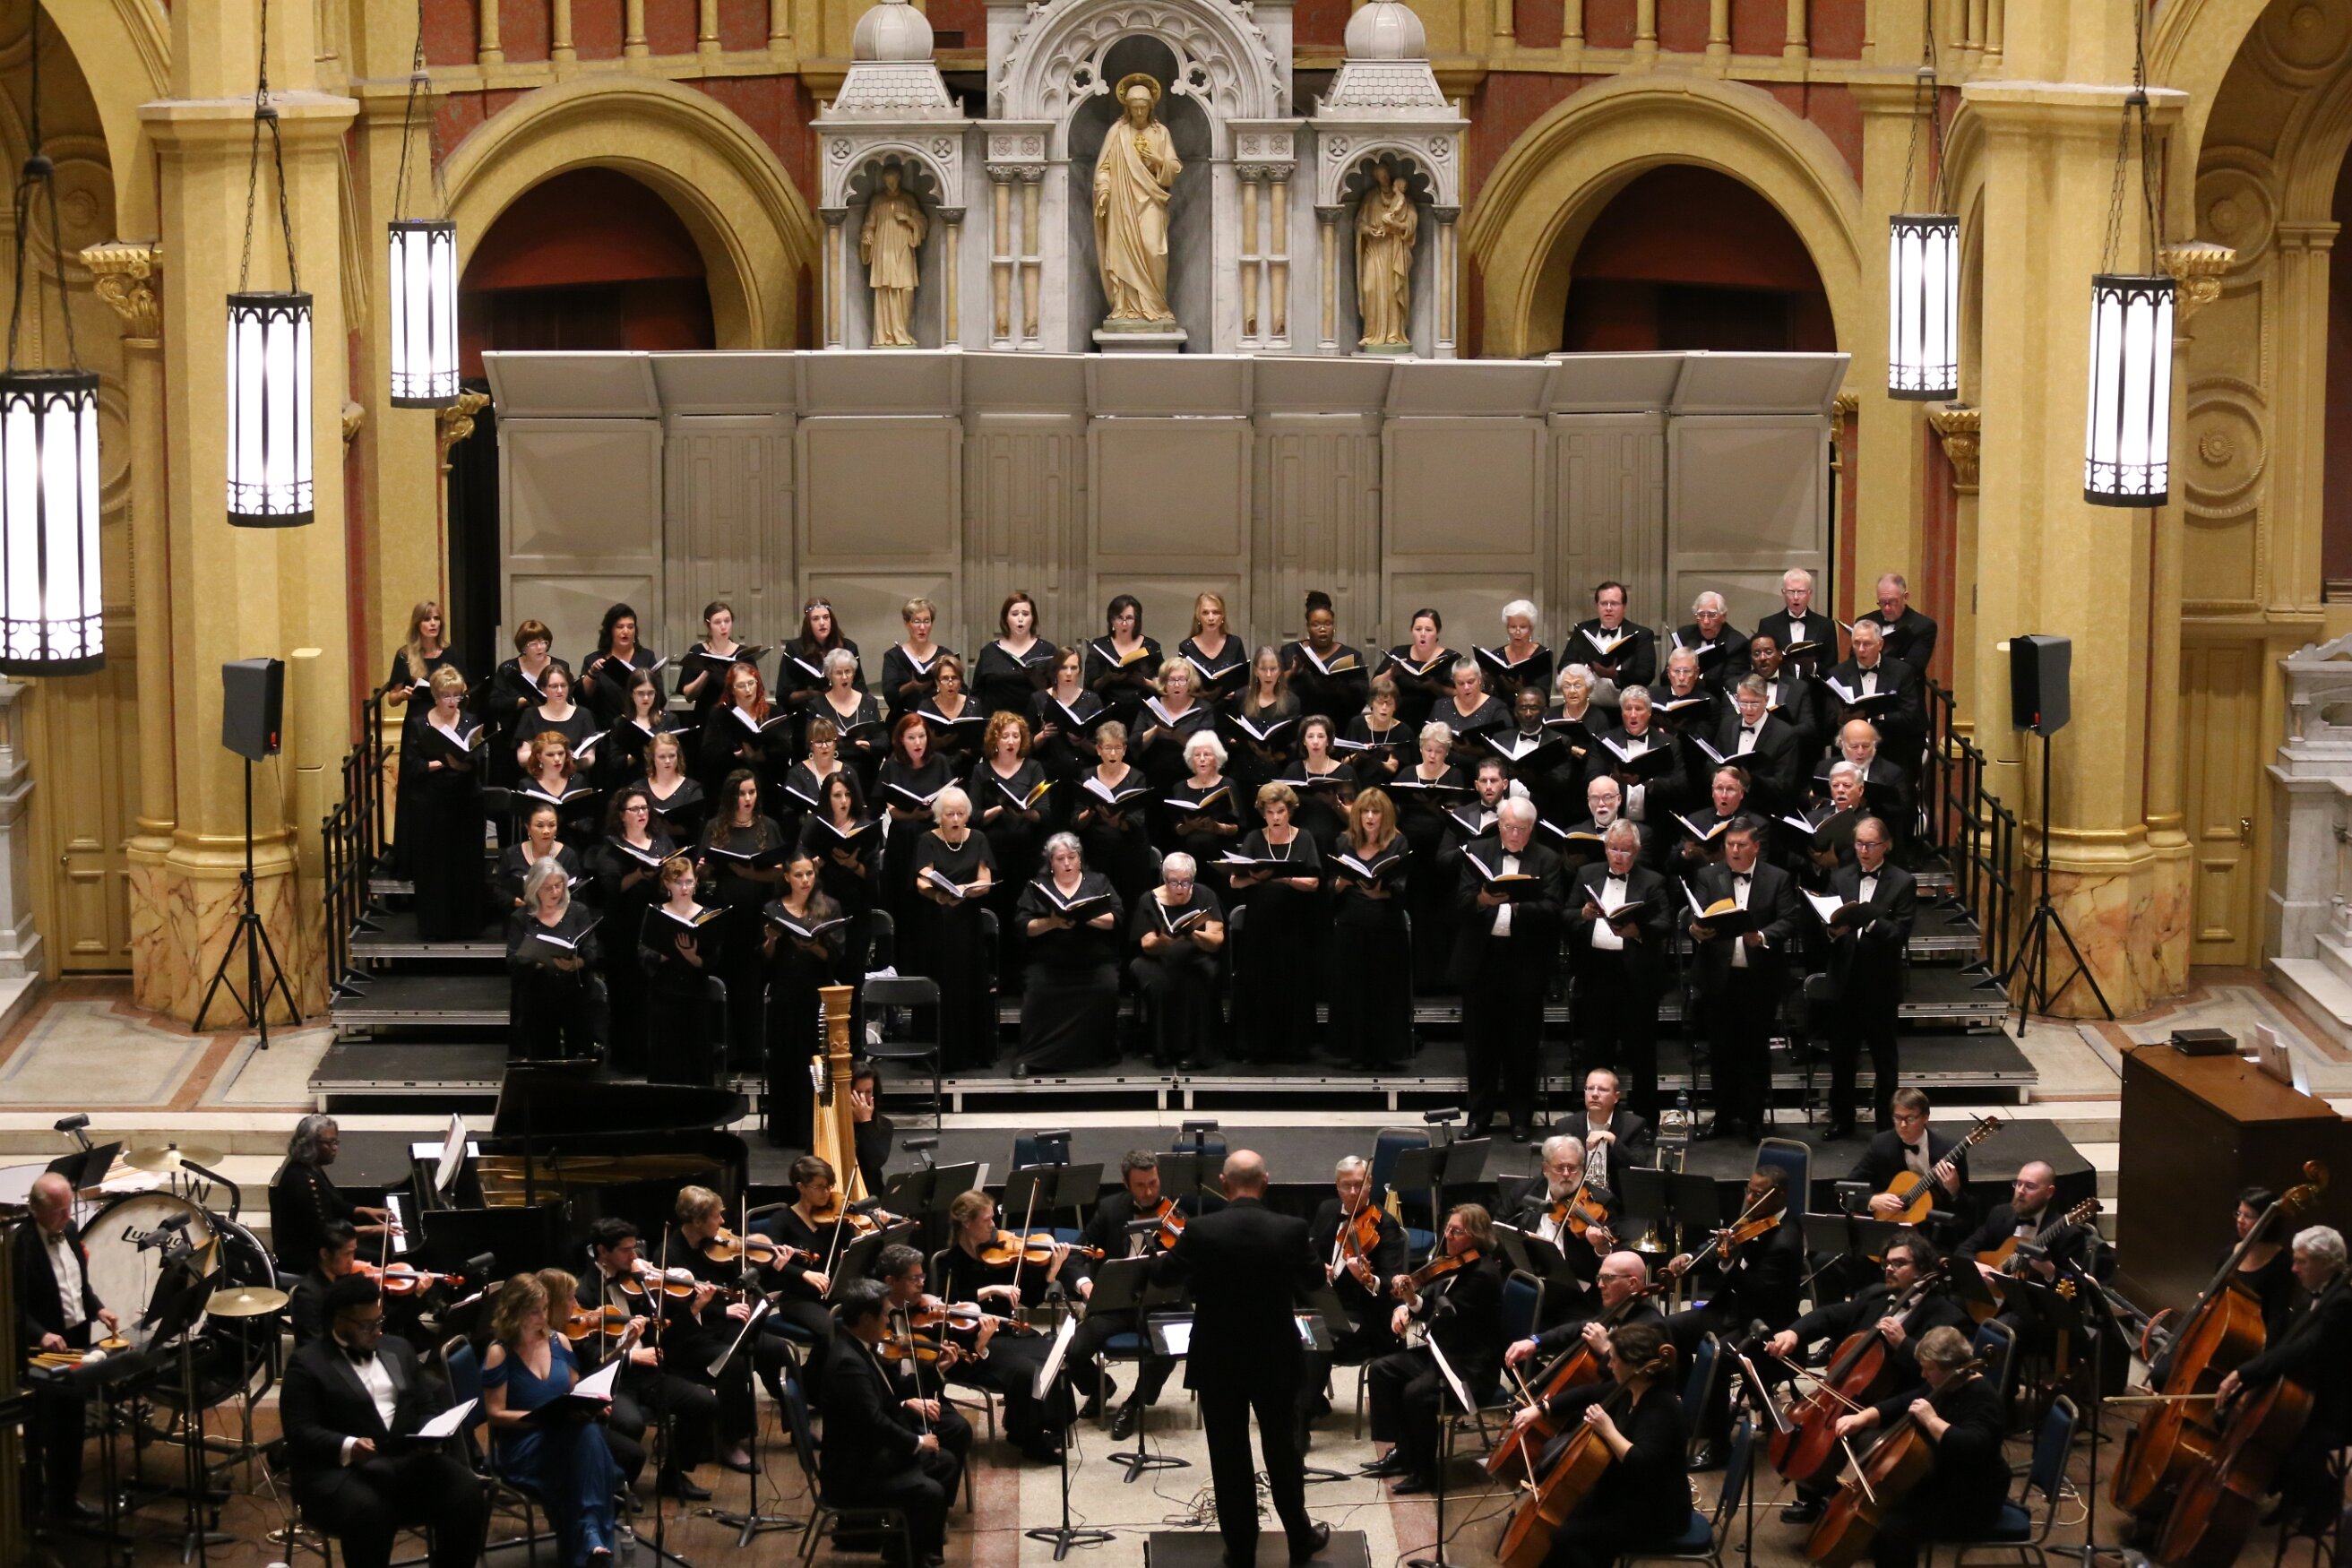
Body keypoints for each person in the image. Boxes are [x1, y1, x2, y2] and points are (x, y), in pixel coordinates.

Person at [1150, 1150, 1331, 1568]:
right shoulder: (1291, 1229)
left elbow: (1164, 1277)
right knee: (1283, 1451)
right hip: (1275, 1357)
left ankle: (1241, 1549)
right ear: (1265, 1182)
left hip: (1219, 1359)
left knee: (1229, 1456)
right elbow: (1314, 1280)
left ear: (1223, 1183)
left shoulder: (1201, 1230)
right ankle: (1299, 1537)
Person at [280, 1275, 490, 1568]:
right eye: (367, 1325)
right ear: (339, 1321)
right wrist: (348, 1445)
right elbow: (300, 1431)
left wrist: (428, 1434)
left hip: (404, 1461)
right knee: (370, 1513)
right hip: (338, 1472)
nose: (378, 1331)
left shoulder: (398, 1349)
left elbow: (425, 1403)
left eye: (379, 1321)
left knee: (465, 1490)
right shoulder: (307, 1363)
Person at [1768, 1234, 1973, 1524]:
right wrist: (1794, 1332)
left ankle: (1872, 1514)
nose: (1889, 1268)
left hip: (1907, 1405)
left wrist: (1904, 1344)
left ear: (1922, 1269)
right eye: (1887, 1263)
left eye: (1899, 1263)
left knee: (1864, 1437)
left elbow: (1942, 1379)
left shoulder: (1948, 1317)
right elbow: (1830, 1315)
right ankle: (1813, 1496)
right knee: (1815, 1422)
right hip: (1858, 1395)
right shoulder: (1877, 1296)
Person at [1828, 1325, 2010, 1568]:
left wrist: (1931, 1420)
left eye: (1929, 1369)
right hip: (1943, 1481)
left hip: (1971, 1499)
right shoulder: (1946, 1383)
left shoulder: (1983, 1399)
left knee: (1891, 1529)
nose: (1923, 1375)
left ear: (1951, 1368)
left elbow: (1971, 1446)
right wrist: (1862, 1417)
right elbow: (1905, 1402)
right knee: (1871, 1457)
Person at [1513, 1321, 1689, 1568]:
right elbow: (1587, 1394)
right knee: (1567, 1519)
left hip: (1656, 1513)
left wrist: (1608, 1430)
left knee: (1567, 1538)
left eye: (1614, 1359)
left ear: (1636, 1367)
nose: (1609, 1364)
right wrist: (1541, 1410)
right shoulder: (1629, 1387)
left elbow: (1643, 1464)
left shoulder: (1661, 1408)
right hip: (1626, 1493)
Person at [2213, 1226, 2352, 1535]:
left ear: (2326, 1263)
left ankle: (2325, 1496)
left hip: (2334, 1404)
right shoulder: (2311, 1292)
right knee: (2230, 1412)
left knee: (2292, 1441)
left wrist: (2245, 1373)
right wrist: (2251, 1376)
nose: (2294, 1268)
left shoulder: (2342, 1302)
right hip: (2305, 1389)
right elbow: (2287, 1343)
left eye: (2302, 1262)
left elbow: (2307, 1348)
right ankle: (2288, 1495)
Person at [1662, 1167, 1805, 1464]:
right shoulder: (1752, 1218)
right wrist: (1689, 1258)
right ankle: (1697, 1413)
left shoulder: (1786, 1241)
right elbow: (1720, 1246)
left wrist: (1729, 1264)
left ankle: (1719, 1449)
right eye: (1748, 1190)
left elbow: (1759, 1291)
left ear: (1778, 1195)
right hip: (1731, 1312)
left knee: (1717, 1359)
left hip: (1764, 1326)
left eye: (1757, 1193)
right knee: (1668, 1329)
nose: (1749, 1198)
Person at [933, 1189, 1090, 1460]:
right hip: (976, 1342)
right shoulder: (949, 1263)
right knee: (1027, 1371)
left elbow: (1030, 1298)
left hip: (1009, 1332)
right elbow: (944, 1305)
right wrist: (990, 1290)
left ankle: (1051, 1425)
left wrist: (1052, 1272)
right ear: (967, 1224)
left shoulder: (1000, 1255)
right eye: (986, 1220)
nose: (994, 1225)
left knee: (1054, 1356)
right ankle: (1027, 1437)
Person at [481, 1272, 623, 1564]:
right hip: (525, 1446)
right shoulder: (499, 1352)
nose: (543, 1317)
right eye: (534, 1312)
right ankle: (590, 1537)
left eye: (545, 1309)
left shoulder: (561, 1342)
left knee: (586, 1434)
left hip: (564, 1438)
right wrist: (541, 1418)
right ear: (514, 1312)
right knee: (587, 1453)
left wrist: (593, 1405)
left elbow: (576, 1391)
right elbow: (494, 1414)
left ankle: (589, 1539)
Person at [1362, 1204, 1503, 1494]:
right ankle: (1402, 1452)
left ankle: (1424, 1472)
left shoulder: (1482, 1275)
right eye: (1448, 1229)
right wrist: (1405, 1306)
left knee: (1417, 1393)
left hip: (1468, 1367)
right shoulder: (1451, 1263)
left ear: (1476, 1236)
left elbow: (1443, 1316)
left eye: (1456, 1231)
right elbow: (1428, 1296)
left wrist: (1412, 1301)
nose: (1447, 1236)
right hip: (1443, 1353)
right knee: (1382, 1370)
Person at [577, 1219, 722, 1500]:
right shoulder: (584, 1293)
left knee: (704, 1402)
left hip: (648, 1375)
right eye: (626, 1250)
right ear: (602, 1251)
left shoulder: (638, 1282)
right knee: (630, 1424)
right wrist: (631, 1355)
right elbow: (589, 1354)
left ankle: (672, 1478)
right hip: (613, 1380)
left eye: (635, 1248)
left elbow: (667, 1332)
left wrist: (694, 1307)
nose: (634, 1256)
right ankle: (616, 1487)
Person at [820, 1281, 961, 1568]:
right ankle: (905, 1558)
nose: (888, 1321)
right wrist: (917, 1442)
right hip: (854, 1472)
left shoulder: (862, 1347)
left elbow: (893, 1394)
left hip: (870, 1453)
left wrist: (936, 1370)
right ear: (865, 1319)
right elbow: (874, 1422)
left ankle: (914, 1547)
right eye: (884, 1315)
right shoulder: (848, 1363)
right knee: (929, 1490)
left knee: (946, 1462)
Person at [1452, 797, 1564, 1139]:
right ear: (1499, 825)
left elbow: (1554, 908)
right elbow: (1460, 902)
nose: (1515, 834)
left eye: (1522, 828)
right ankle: (1478, 1118)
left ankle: (1520, 1119)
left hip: (1524, 962)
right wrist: (1482, 900)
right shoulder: (1476, 851)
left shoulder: (1547, 858)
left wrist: (1517, 905)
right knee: (1479, 1045)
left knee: (1522, 1046)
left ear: (1532, 829)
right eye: (1509, 827)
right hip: (1482, 961)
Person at [1686, 817, 1802, 1139]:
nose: (1734, 850)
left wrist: (1763, 936)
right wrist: (1695, 929)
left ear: (1756, 846)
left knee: (1755, 1052)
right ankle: (1723, 1117)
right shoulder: (1708, 875)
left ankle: (1753, 1119)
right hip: (1718, 977)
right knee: (1720, 1050)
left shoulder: (1777, 878)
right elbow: (1697, 914)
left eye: (1741, 845)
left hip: (1759, 979)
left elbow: (1789, 919)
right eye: (1729, 845)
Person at [1073, 1151, 1202, 1435]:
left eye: (1153, 1183)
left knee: (1166, 1350)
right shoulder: (1109, 1210)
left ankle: (1135, 1403)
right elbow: (1078, 1252)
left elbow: (1194, 1272)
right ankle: (1100, 1388)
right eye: (1141, 1185)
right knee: (1073, 1351)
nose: (1149, 1192)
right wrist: (1085, 1284)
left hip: (1162, 1304)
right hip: (1116, 1305)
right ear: (1126, 1183)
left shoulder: (1176, 1217)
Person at [15, 1172, 118, 1522]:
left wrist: (97, 1308)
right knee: (42, 1429)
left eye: (69, 1207)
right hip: (42, 1350)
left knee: (72, 1424)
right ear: (36, 1209)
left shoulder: (70, 1230)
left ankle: (65, 1501)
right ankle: (34, 1510)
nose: (68, 1216)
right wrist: (40, 1334)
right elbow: (11, 1305)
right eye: (60, 1210)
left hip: (75, 1340)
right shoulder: (19, 1246)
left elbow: (78, 1284)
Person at [1822, 815, 1918, 1138]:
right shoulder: (1840, 877)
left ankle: (1886, 1126)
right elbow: (1827, 920)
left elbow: (1900, 933)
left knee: (1884, 1061)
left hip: (1880, 985)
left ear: (1886, 846)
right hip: (1845, 982)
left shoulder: (1903, 882)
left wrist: (1869, 920)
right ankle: (1842, 1119)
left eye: (1870, 844)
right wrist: (1833, 931)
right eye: (1859, 844)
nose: (1863, 850)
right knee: (1842, 1058)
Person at [1305, 1156, 1408, 1442]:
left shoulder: (1385, 1226)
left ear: (1370, 1184)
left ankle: (1298, 1418)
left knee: (1316, 1335)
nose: (1353, 1192)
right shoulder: (1327, 1210)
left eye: (1359, 1185)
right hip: (1328, 1306)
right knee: (1290, 1325)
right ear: (1337, 1186)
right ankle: (1310, 1401)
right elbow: (1310, 1252)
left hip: (1366, 1318)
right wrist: (1318, 1268)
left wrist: (1368, 1279)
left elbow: (1393, 1282)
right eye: (1346, 1186)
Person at [697, 769, 790, 1071]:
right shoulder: (715, 826)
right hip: (725, 917)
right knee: (728, 981)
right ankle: (729, 1052)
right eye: (741, 793)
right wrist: (703, 870)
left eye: (752, 792)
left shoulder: (768, 826)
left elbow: (780, 872)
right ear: (731, 796)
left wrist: (750, 874)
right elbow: (704, 873)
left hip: (757, 915)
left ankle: (754, 1052)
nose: (748, 798)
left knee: (753, 984)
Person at [1227, 782, 1325, 1064]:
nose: (1276, 817)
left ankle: (1294, 1047)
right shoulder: (1254, 838)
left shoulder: (1304, 838)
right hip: (1259, 925)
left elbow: (1314, 882)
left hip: (1293, 923)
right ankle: (1256, 1046)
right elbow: (1234, 881)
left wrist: (1285, 878)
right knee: (1259, 982)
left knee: (1292, 982)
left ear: (1290, 810)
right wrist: (1254, 878)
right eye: (1270, 812)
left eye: (1280, 811)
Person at [762, 849, 854, 1144]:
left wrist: (812, 946)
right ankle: (784, 1131)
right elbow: (766, 959)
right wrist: (771, 941)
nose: (805, 880)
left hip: (817, 994)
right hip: (785, 993)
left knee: (815, 1060)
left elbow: (835, 957)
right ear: (787, 877)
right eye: (799, 875)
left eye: (809, 874)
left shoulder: (829, 906)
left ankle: (815, 1128)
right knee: (785, 1060)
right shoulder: (773, 908)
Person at [908, 784, 997, 1071]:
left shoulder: (978, 838)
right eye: (949, 814)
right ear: (939, 816)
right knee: (939, 981)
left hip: (967, 923)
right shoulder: (927, 840)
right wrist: (939, 895)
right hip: (936, 922)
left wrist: (966, 890)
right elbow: (922, 880)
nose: (956, 819)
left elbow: (985, 881)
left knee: (967, 983)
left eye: (960, 813)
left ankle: (970, 1052)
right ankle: (935, 1052)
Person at [1015, 833, 1120, 1073]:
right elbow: (1024, 926)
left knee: (1107, 987)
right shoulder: (1037, 886)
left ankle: (1097, 1054)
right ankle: (1033, 1057)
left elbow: (1116, 918)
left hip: (1093, 961)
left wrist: (1085, 916)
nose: (1067, 863)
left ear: (1080, 858)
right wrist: (1052, 922)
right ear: (1051, 862)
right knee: (1037, 992)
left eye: (1072, 857)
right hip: (1049, 962)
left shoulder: (1099, 881)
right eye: (1060, 858)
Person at [1330, 787, 1413, 1070]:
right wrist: (1338, 885)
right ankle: (1356, 1052)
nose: (1369, 817)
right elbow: (1329, 889)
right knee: (1353, 990)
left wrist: (1383, 893)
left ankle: (1383, 1053)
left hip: (1386, 926)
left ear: (1385, 815)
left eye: (1375, 812)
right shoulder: (1343, 842)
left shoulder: (1398, 843)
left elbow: (1402, 888)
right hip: (1351, 925)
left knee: (1384, 992)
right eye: (1364, 811)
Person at [869, 1245, 975, 1465]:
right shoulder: (874, 1324)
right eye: (914, 1278)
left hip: (922, 1392)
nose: (921, 1284)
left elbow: (923, 1379)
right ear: (890, 1281)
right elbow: (882, 1389)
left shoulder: (920, 1313)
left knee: (960, 1430)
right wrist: (906, 1403)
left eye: (922, 1276)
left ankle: (937, 1477)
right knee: (953, 1433)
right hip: (896, 1404)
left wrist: (940, 1367)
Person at [969, 710, 1050, 985]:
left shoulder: (1033, 767)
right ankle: (995, 975)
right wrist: (999, 808)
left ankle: (1023, 975)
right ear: (995, 739)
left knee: (1024, 911)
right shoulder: (981, 770)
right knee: (996, 912)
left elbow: (1044, 813)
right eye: (1006, 736)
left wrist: (1025, 812)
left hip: (1026, 853)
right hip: (993, 854)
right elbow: (973, 816)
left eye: (1016, 736)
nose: (1011, 741)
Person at [409, 667, 489, 938]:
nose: (452, 701)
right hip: (431, 802)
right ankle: (436, 927)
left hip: (465, 801)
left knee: (466, 863)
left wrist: (461, 764)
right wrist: (442, 763)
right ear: (435, 696)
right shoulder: (420, 724)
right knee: (434, 865)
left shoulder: (470, 720)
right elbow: (411, 764)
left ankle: (467, 926)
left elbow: (476, 760)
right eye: (446, 695)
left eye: (457, 695)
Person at [384, 600, 462, 875]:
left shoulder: (451, 653)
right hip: (418, 723)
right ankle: (412, 858)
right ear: (417, 624)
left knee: (445, 777)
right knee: (416, 783)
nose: (433, 624)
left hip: (445, 722)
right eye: (427, 619)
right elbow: (392, 698)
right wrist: (403, 694)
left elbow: (463, 687)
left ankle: (445, 853)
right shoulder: (405, 655)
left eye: (437, 618)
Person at [1502, 1250, 1663, 1380]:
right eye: (1599, 1278)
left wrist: (1606, 1350)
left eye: (1608, 1278)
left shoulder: (1650, 1326)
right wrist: (1535, 1341)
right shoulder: (1617, 1306)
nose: (1600, 1285)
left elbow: (1632, 1382)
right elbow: (1578, 1329)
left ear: (1632, 1283)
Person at [1129, 851, 1225, 1068]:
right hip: (1156, 959)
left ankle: (1195, 1051)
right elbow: (1147, 945)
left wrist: (1193, 934)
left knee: (1199, 978)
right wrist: (1164, 940)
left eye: (1185, 882)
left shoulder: (1206, 895)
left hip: (1196, 955)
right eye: (1173, 882)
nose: (1180, 888)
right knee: (1161, 982)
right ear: (1165, 879)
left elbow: (1216, 940)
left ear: (1193, 879)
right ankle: (1163, 1050)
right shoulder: (1149, 899)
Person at [508, 857, 607, 1062]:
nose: (555, 892)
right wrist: (537, 960)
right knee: (543, 1058)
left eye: (559, 885)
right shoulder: (521, 917)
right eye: (548, 888)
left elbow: (591, 951)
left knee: (579, 1055)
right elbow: (512, 960)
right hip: (538, 996)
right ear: (535, 889)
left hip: (575, 995)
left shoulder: (578, 911)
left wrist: (576, 963)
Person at [1850, 1089, 1976, 1247]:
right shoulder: (1881, 1144)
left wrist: (1955, 1190)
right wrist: (1871, 1200)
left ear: (1925, 1117)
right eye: (1897, 1118)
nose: (1903, 1125)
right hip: (1892, 1229)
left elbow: (1969, 1208)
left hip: (1934, 1232)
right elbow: (1848, 1188)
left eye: (1910, 1118)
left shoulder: (1950, 1150)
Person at [279, 1114, 400, 1269]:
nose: (335, 1148)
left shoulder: (310, 1167)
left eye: (336, 1142)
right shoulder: (301, 1180)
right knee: (380, 1255)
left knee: (382, 1246)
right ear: (310, 1144)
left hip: (325, 1244)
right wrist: (373, 1230)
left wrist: (364, 1210)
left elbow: (334, 1203)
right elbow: (324, 1233)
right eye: (330, 1143)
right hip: (308, 1256)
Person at [878, 712, 953, 926]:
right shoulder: (892, 765)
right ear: (901, 740)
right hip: (903, 838)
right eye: (911, 738)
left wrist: (935, 811)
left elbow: (950, 797)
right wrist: (912, 815)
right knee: (904, 900)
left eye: (922, 736)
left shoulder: (939, 762)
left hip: (934, 836)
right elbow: (889, 807)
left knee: (931, 902)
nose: (918, 743)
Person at [1825, 619, 1926, 768]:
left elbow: (1911, 716)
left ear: (1880, 644)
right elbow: (1828, 719)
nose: (1861, 649)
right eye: (1856, 643)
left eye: (1867, 644)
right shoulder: (1837, 674)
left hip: (1891, 751)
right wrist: (1841, 719)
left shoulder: (1901, 672)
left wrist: (1876, 716)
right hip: (1849, 757)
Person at [484, 618, 565, 790]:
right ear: (523, 647)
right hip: (515, 736)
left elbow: (567, 696)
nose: (540, 647)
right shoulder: (508, 669)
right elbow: (495, 702)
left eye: (543, 642)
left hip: (550, 733)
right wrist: (521, 701)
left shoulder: (559, 666)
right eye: (533, 643)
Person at [1709, 675, 1805, 814]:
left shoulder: (1785, 734)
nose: (1749, 709)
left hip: (1762, 810)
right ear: (1737, 699)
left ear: (1766, 700)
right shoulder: (1727, 725)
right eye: (1744, 702)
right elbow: (1713, 761)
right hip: (1725, 807)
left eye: (1754, 703)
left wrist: (1750, 781)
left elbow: (1784, 785)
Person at [1282, 590, 1372, 725]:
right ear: (1308, 627)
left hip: (1339, 724)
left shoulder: (1352, 656)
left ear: (1333, 626)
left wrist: (1338, 686)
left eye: (1328, 624)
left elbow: (1362, 696)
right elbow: (1271, 688)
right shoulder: (1291, 652)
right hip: (1299, 725)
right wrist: (1293, 672)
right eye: (1316, 624)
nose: (1322, 629)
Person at [1162, 730, 1243, 874]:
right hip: (1188, 852)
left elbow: (1238, 827)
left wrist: (1218, 828)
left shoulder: (1228, 784)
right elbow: (1177, 828)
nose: (1202, 759)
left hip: (1221, 848)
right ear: (1191, 759)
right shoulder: (1179, 787)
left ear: (1216, 758)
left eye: (1207, 754)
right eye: (1197, 755)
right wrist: (1190, 826)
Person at [1135, 656, 1217, 797]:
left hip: (1190, 774)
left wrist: (1176, 734)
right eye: (1171, 680)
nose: (1177, 685)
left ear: (1190, 682)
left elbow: (1207, 749)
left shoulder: (1204, 708)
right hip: (1154, 774)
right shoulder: (1151, 706)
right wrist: (1156, 729)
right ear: (1163, 682)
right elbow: (1135, 744)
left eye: (1182, 680)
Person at [973, 589, 1059, 721]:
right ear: (1006, 618)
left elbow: (1057, 692)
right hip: (997, 726)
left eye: (1025, 614)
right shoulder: (989, 651)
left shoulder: (1048, 650)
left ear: (1033, 618)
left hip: (1035, 726)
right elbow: (977, 694)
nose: (1020, 619)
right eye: (1014, 614)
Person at [1030, 646, 1108, 792]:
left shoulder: (1092, 700)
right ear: (1055, 670)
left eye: (1073, 668)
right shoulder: (1038, 699)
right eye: (1063, 668)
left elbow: (1100, 749)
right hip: (1047, 774)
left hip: (1082, 774)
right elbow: (1026, 746)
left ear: (1079, 671)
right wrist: (1043, 735)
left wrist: (1082, 741)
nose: (1068, 673)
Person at [1562, 1066, 1656, 1186]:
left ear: (1616, 1097)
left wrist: (1612, 1140)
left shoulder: (1633, 1125)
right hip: (1577, 1195)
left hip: (1615, 1195)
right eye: (1590, 1088)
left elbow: (1638, 1167)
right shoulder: (1565, 1126)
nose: (1594, 1094)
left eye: (1602, 1089)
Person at [1226, 645, 1302, 790]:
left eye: (1273, 669)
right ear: (1255, 670)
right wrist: (1233, 740)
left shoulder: (1292, 701)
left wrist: (1273, 757)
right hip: (1243, 773)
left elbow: (1294, 743)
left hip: (1277, 774)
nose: (1268, 674)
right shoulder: (1241, 696)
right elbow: (1227, 729)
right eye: (1263, 669)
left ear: (1280, 671)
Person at [811, 647, 888, 789]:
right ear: (829, 675)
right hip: (831, 774)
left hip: (865, 772)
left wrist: (869, 745)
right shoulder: (817, 705)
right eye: (838, 673)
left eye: (848, 671)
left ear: (854, 673)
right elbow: (810, 744)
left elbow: (883, 740)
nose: (844, 677)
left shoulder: (869, 702)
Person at [780, 596, 865, 722]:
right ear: (808, 624)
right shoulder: (794, 649)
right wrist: (808, 694)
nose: (822, 623)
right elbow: (784, 694)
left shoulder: (848, 647)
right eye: (815, 619)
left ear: (832, 620)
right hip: (807, 715)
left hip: (843, 711)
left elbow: (860, 686)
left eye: (826, 617)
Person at [1745, 630, 1828, 759]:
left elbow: (1809, 727)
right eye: (1757, 653)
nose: (1762, 658)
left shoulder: (1798, 688)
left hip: (1787, 756)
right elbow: (1729, 725)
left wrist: (1779, 733)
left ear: (1780, 655)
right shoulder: (1736, 685)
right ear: (1751, 658)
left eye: (1768, 652)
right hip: (1749, 753)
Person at [1284, 713, 1360, 851]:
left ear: (1328, 741)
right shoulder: (1293, 770)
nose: (1315, 741)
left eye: (1320, 736)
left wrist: (1336, 804)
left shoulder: (1345, 772)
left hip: (1335, 841)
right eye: (1310, 736)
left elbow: (1355, 818)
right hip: (1300, 842)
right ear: (1303, 741)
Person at [1086, 593, 1163, 728]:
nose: (1124, 623)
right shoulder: (1099, 646)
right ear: (1111, 620)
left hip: (1142, 714)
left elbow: (1164, 685)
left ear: (1137, 621)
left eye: (1129, 618)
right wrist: (1107, 678)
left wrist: (1144, 682)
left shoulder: (1151, 647)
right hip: (1108, 714)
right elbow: (1089, 687)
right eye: (1119, 618)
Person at [580, 601, 662, 728]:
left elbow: (660, 697)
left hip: (641, 726)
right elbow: (583, 699)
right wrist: (592, 674)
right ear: (610, 631)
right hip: (605, 726)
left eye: (630, 627)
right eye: (620, 627)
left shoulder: (647, 657)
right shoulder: (593, 659)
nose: (626, 631)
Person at [495, 799, 584, 913]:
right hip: (520, 914)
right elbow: (497, 888)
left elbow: (577, 892)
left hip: (559, 915)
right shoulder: (511, 854)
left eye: (552, 825)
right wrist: (513, 900)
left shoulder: (569, 855)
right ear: (528, 827)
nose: (546, 831)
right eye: (540, 825)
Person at [288, 1219, 364, 1348]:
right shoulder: (308, 1296)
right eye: (347, 1254)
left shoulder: (342, 1280)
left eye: (353, 1252)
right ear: (325, 1254)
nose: (352, 1261)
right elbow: (311, 1346)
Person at [1571, 582, 1656, 697]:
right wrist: (1585, 670)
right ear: (1597, 606)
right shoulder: (1582, 630)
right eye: (1604, 603)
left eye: (1614, 604)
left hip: (1626, 705)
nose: (1608, 608)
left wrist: (1616, 675)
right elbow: (1564, 665)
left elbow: (1646, 675)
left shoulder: (1642, 635)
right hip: (1587, 704)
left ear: (1624, 607)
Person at [678, 599, 754, 722]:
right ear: (708, 625)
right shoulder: (697, 651)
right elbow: (689, 696)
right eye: (717, 622)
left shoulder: (743, 653)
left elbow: (757, 689)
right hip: (706, 718)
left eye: (727, 621)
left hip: (737, 718)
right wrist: (706, 672)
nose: (723, 626)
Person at [881, 596, 954, 720]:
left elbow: (961, 691)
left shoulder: (945, 655)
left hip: (938, 720)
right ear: (907, 624)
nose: (922, 627)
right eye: (916, 621)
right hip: (903, 721)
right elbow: (890, 697)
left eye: (927, 621)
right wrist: (912, 686)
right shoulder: (894, 656)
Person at [1383, 608, 1454, 730]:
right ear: (1411, 630)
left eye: (1428, 630)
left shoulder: (1450, 658)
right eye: (1418, 629)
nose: (1423, 634)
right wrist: (1391, 673)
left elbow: (1462, 693)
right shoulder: (1399, 652)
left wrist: (1435, 686)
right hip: (1400, 720)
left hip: (1437, 723)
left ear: (1437, 632)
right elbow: (1375, 685)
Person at [1176, 590, 1249, 708]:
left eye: (1216, 612)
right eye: (1205, 613)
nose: (1211, 618)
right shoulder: (1186, 647)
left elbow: (1244, 683)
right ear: (1198, 617)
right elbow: (1183, 685)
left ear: (1223, 616)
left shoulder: (1235, 643)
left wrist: (1235, 693)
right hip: (1199, 711)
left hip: (1229, 709)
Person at [1754, 566, 1830, 678]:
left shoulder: (1826, 625)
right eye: (1791, 592)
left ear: (1810, 593)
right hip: (1780, 686)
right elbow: (1761, 665)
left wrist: (1812, 667)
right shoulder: (1768, 625)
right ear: (1783, 592)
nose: (1796, 597)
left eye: (1801, 592)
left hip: (1813, 687)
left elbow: (1831, 667)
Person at [1860, 572, 1939, 678]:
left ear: (1905, 597)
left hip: (1902, 687)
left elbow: (1913, 669)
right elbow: (1854, 662)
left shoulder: (1923, 626)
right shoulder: (1865, 622)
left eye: (1892, 602)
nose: (1887, 608)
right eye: (1882, 602)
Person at [911, 654, 983, 770]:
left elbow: (980, 743)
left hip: (967, 767)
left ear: (960, 681)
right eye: (945, 678)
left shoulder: (974, 704)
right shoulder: (925, 706)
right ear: (937, 682)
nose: (950, 683)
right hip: (934, 767)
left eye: (954, 678)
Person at [1672, 591, 1752, 693]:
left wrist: (1693, 682)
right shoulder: (1684, 635)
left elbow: (1730, 686)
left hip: (1714, 699)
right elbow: (1666, 676)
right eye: (1701, 615)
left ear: (1723, 617)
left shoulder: (1736, 644)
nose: (1706, 621)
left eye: (1712, 615)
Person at [1439, 655, 1512, 766]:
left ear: (1480, 680)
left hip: (1484, 769)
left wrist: (1475, 751)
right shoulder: (1441, 705)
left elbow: (1507, 749)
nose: (1466, 687)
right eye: (1461, 683)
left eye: (1471, 682)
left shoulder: (1497, 708)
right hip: (1445, 768)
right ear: (1454, 683)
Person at [1478, 598, 1554, 702]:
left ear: (1531, 629)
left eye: (1523, 627)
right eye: (1513, 627)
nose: (1517, 632)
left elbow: (1544, 695)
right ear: (1507, 628)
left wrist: (1521, 689)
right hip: (1500, 710)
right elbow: (1489, 695)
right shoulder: (1496, 656)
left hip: (1531, 709)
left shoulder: (1543, 656)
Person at [643, 730, 709, 846]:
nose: (667, 761)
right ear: (653, 758)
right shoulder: (639, 789)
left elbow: (699, 830)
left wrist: (673, 830)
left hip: (682, 851)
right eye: (662, 757)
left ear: (678, 756)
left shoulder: (692, 789)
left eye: (672, 756)